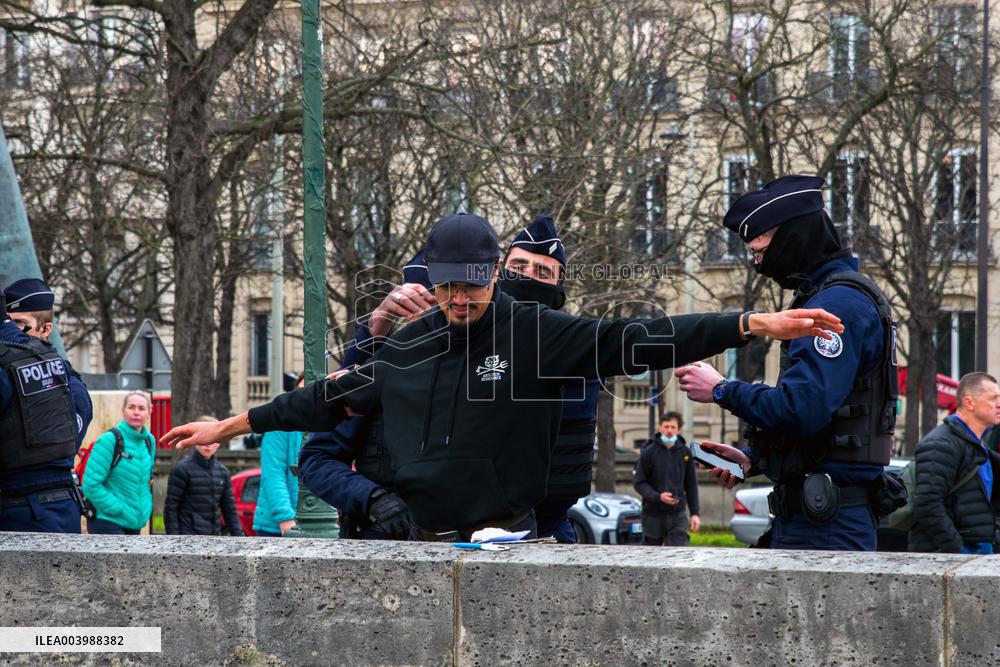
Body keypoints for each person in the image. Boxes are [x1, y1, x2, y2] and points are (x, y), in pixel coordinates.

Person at [163, 212, 844, 541]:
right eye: (448, 289)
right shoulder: (411, 344)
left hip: (507, 535)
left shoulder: (537, 333)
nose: (460, 301)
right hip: (416, 539)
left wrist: (751, 324)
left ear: (495, 276)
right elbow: (323, 400)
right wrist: (229, 425)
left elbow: (638, 337)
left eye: (473, 288)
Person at [300, 217, 601, 543]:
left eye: (542, 272)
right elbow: (319, 457)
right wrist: (374, 500)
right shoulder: (383, 360)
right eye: (439, 294)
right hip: (396, 540)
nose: (454, 304)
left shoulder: (549, 354)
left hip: (527, 536)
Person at [674, 175, 899, 551]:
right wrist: (755, 460)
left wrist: (722, 390)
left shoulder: (834, 305)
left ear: (794, 237)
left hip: (825, 525)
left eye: (761, 251)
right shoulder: (834, 296)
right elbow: (824, 421)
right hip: (819, 514)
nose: (757, 264)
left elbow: (802, 408)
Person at [0, 282, 93, 533]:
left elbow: (63, 442)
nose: (13, 334)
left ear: (45, 329)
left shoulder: (69, 381)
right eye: (9, 324)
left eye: (20, 324)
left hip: (31, 506)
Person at [909, 372, 1000, 554]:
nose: (998, 404)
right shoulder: (940, 444)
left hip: (979, 555)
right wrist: (957, 549)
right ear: (969, 403)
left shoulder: (978, 445)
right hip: (952, 560)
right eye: (993, 399)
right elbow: (927, 504)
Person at [82, 391, 156, 535]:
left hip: (134, 521)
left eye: (141, 408)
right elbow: (90, 485)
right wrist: (116, 508)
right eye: (131, 407)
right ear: (123, 410)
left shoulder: (149, 441)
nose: (136, 412)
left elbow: (147, 480)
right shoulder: (109, 440)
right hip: (107, 520)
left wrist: (145, 508)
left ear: (149, 412)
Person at [163, 416, 244, 536]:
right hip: (187, 536)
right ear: (195, 440)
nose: (208, 444)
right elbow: (171, 507)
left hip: (213, 535)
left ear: (219, 443)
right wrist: (173, 538)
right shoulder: (181, 469)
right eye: (205, 439)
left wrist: (240, 538)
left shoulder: (223, 472)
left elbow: (229, 509)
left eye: (214, 440)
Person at [633, 412, 700, 546]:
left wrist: (695, 513)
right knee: (650, 555)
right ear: (660, 428)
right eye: (666, 426)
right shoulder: (648, 452)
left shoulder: (685, 453)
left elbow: (691, 485)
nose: (669, 431)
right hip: (652, 515)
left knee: (679, 553)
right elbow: (639, 483)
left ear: (679, 430)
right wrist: (658, 497)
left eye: (673, 427)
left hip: (677, 514)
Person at [254, 374, 306, 537]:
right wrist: (285, 517)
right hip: (277, 526)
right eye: (301, 390)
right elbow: (273, 474)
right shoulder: (280, 425)